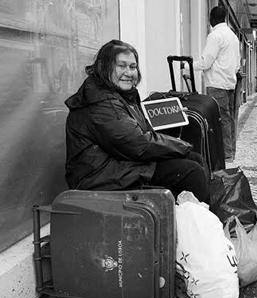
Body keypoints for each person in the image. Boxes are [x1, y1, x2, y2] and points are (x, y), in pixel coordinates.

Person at [64, 40, 209, 202]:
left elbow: (139, 133)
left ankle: (199, 219)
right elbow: (138, 145)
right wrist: (183, 146)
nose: (129, 72)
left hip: (118, 165)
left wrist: (178, 143)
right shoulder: (100, 102)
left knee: (194, 160)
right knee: (190, 171)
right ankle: (203, 221)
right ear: (104, 67)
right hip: (98, 177)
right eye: (121, 66)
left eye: (132, 67)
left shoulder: (121, 95)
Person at [193, 5, 240, 163]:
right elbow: (238, 64)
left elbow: (206, 62)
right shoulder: (233, 36)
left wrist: (186, 66)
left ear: (212, 19)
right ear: (225, 18)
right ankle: (230, 152)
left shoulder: (215, 36)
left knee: (220, 121)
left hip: (217, 84)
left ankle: (225, 154)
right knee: (229, 119)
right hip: (230, 85)